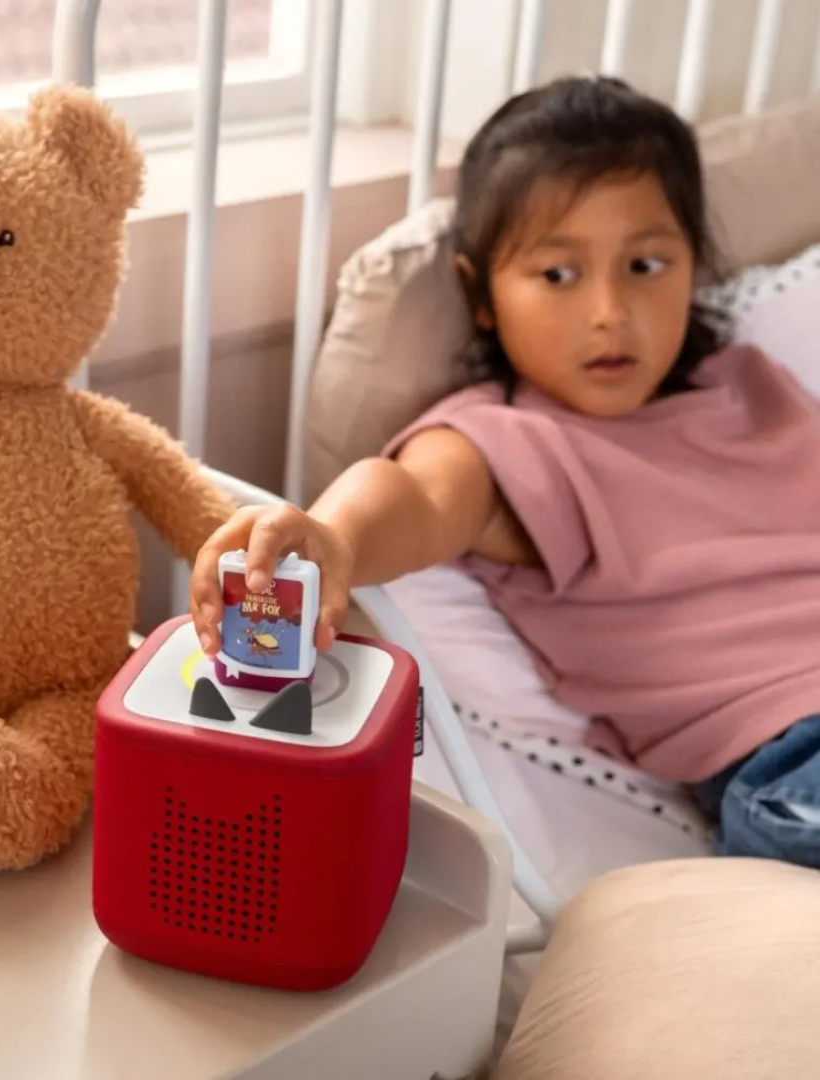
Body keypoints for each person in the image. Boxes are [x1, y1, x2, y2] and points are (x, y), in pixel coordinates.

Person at [189, 75, 820, 869]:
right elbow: (415, 496)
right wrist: (329, 537)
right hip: (791, 753)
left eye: (647, 264)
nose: (608, 311)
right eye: (558, 274)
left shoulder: (755, 383)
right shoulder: (507, 440)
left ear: (695, 263)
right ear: (479, 294)